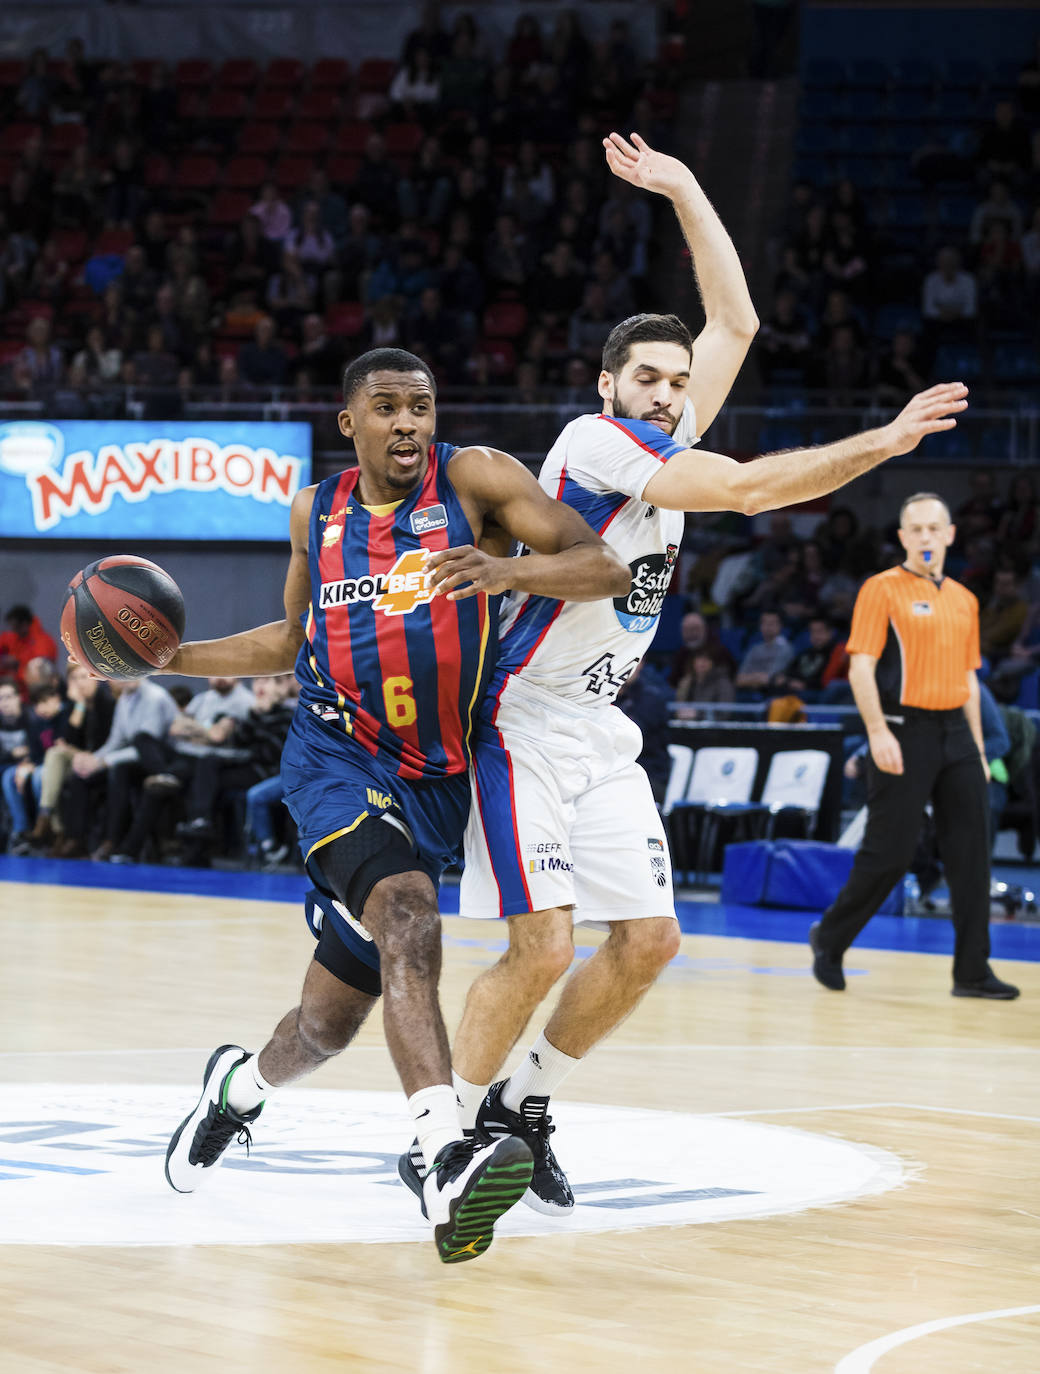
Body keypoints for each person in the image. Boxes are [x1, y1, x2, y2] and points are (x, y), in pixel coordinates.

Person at [414, 131, 973, 1219]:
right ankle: (444, 1136)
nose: (668, 392)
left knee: (651, 940)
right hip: (519, 725)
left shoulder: (665, 432)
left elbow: (735, 323)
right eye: (649, 378)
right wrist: (881, 443)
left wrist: (681, 188)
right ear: (607, 384)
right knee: (543, 945)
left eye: (676, 383)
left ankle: (523, 1107)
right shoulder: (599, 441)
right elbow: (752, 490)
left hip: (598, 727)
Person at [143, 347, 628, 1264]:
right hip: (334, 756)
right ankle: (443, 1157)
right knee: (409, 920)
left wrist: (506, 573)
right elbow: (291, 638)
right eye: (389, 407)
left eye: (422, 406)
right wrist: (176, 658)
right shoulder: (314, 511)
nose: (409, 422)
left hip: (438, 779)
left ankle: (236, 1090)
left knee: (325, 1028)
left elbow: (604, 566)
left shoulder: (476, 479)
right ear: (350, 424)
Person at [809, 493, 1020, 1000]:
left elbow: (969, 679)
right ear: (903, 537)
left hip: (956, 736)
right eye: (916, 529)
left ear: (950, 535)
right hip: (903, 731)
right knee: (891, 854)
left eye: (934, 528)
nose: (926, 537)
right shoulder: (881, 590)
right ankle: (830, 939)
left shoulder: (966, 600)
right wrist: (878, 732)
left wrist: (976, 750)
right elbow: (860, 667)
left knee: (971, 856)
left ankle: (972, 972)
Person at [0, 605, 58, 694]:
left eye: (15, 627)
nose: (13, 631)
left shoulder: (43, 642)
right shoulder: (17, 637)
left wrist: (16, 664)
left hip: (37, 692)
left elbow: (37, 674)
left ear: (24, 624)